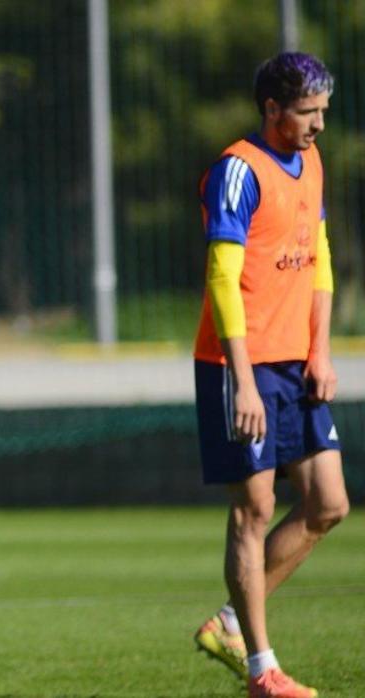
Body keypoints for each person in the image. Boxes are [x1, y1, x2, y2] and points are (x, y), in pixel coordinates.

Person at [191, 52, 348, 698]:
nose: (318, 126)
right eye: (308, 113)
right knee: (254, 509)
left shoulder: (310, 161)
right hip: (243, 365)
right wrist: (244, 376)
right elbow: (223, 276)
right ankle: (262, 669)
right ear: (273, 110)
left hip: (297, 362)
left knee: (329, 504)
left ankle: (229, 622)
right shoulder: (238, 170)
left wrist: (322, 350)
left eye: (323, 113)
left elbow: (321, 258)